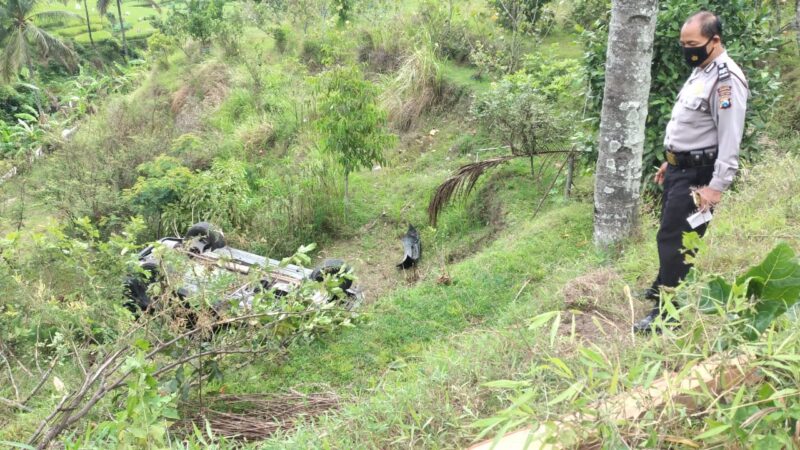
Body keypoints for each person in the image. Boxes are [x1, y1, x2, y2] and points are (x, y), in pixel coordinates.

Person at [634, 11, 749, 333]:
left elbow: (729, 137)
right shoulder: (702, 70)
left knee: (677, 239)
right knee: (671, 233)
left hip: (700, 174)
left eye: (693, 44)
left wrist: (716, 187)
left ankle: (666, 314)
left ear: (715, 40)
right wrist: (671, 160)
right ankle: (663, 285)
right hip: (680, 168)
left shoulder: (726, 80)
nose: (687, 50)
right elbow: (692, 124)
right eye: (684, 44)